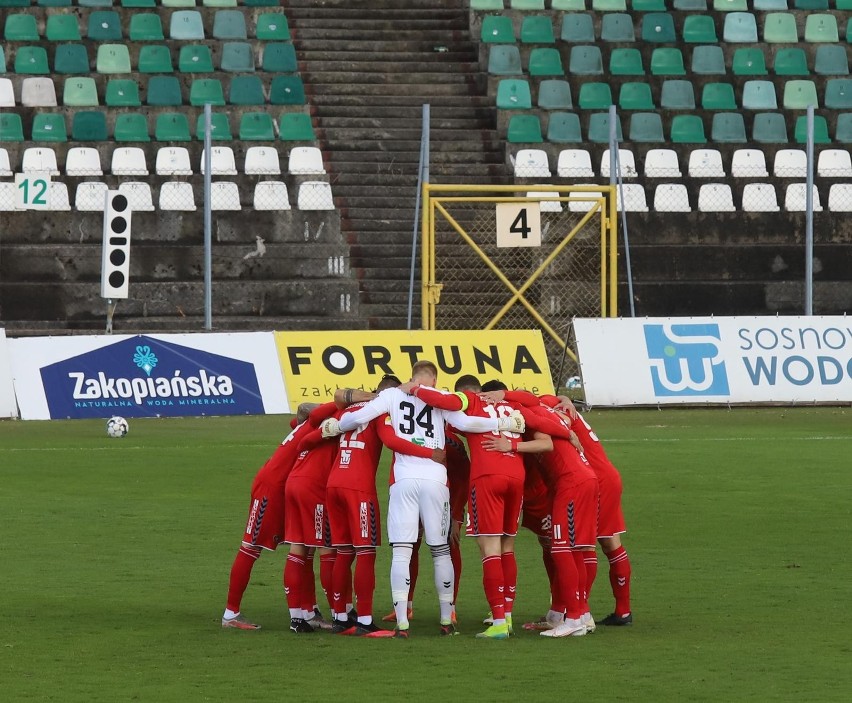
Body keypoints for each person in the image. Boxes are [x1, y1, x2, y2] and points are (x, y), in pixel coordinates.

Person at [321, 360, 525, 638]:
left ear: (412, 377)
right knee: (440, 550)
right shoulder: (439, 399)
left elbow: (353, 419)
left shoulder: (393, 395)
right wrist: (501, 422)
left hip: (403, 481)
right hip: (436, 481)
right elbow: (466, 422)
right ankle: (446, 619)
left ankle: (403, 621)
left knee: (402, 550)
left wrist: (338, 424)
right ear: (435, 380)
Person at [405, 374, 551, 640]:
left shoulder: (470, 401)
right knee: (508, 546)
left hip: (488, 477)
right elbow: (536, 402)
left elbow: (440, 400)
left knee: (489, 548)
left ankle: (496, 622)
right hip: (516, 476)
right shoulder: (513, 406)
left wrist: (415, 388)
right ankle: (506, 616)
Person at [325, 375, 447, 637]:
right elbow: (391, 440)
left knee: (344, 552)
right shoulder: (381, 411)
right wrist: (431, 453)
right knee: (366, 552)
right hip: (358, 488)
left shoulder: (350, 408)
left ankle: (340, 616)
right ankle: (366, 621)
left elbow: (331, 403)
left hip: (334, 482)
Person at [480, 385, 600, 638]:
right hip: (583, 479)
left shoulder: (524, 413)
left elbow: (541, 432)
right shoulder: (548, 410)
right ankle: (580, 615)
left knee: (561, 549)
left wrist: (510, 445)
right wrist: (568, 432)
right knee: (575, 549)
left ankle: (575, 618)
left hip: (571, 483)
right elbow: (541, 404)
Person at [221, 401, 335, 630]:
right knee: (251, 547)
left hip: (290, 489)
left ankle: (308, 612)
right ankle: (230, 614)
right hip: (271, 489)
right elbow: (307, 409)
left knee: (305, 547)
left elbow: (302, 410)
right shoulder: (317, 424)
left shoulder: (303, 426)